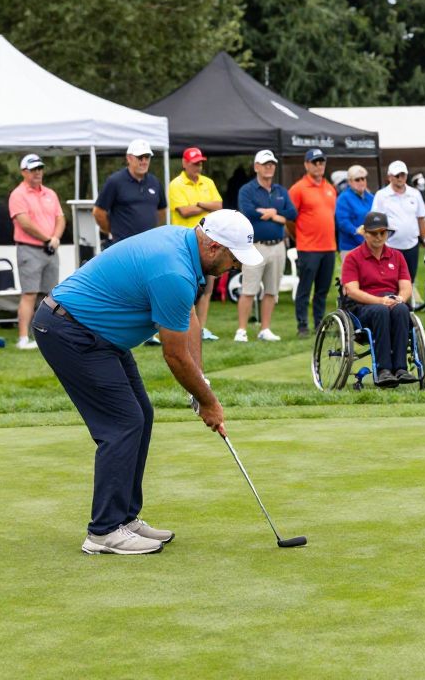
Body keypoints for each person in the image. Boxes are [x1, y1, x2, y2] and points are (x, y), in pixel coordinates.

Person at [33, 210, 262, 554]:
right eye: (234, 258)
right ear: (214, 247)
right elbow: (174, 356)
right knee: (123, 423)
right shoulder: (174, 270)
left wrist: (201, 386)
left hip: (99, 335)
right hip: (70, 331)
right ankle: (104, 532)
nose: (237, 266)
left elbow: (190, 319)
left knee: (142, 413)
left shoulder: (185, 249)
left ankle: (124, 517)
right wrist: (209, 403)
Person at [340, 211, 416, 388]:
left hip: (391, 300)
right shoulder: (353, 257)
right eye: (374, 233)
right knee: (381, 310)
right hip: (363, 306)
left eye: (382, 232)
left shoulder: (397, 256)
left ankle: (400, 369)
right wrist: (380, 301)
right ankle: (383, 370)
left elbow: (406, 286)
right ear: (365, 233)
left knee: (402, 309)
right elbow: (351, 290)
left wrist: (400, 299)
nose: (378, 236)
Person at [236, 149, 297, 342]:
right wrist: (277, 216)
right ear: (256, 167)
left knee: (271, 290)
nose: (269, 167)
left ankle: (265, 329)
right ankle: (242, 330)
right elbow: (247, 211)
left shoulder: (281, 191)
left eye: (271, 164)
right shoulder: (247, 189)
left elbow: (293, 213)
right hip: (255, 246)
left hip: (278, 246)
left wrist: (273, 213)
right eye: (265, 164)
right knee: (249, 289)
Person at [9, 154, 65, 350]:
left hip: (51, 249)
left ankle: (46, 334)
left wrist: (56, 238)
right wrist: (48, 239)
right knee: (29, 294)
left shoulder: (50, 193)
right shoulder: (18, 194)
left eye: (40, 168)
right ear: (24, 172)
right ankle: (23, 338)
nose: (38, 172)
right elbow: (24, 223)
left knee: (50, 295)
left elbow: (60, 218)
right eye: (33, 170)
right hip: (29, 250)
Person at [168, 146, 223, 340]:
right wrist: (204, 205)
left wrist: (198, 205)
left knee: (207, 288)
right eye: (194, 163)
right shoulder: (176, 184)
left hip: (209, 242)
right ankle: (185, 328)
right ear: (184, 163)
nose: (198, 167)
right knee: (189, 288)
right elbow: (183, 211)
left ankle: (201, 328)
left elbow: (219, 206)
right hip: (185, 243)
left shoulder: (207, 182)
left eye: (200, 163)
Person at [288, 148, 338, 337]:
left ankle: (319, 324)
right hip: (308, 247)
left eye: (321, 162)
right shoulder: (298, 189)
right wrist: (299, 237)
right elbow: (290, 219)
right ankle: (302, 325)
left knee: (322, 289)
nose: (318, 165)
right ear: (306, 164)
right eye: (315, 162)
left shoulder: (329, 188)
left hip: (328, 247)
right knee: (305, 288)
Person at [93, 139, 166, 247]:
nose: (144, 161)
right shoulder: (115, 181)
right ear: (129, 158)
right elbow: (98, 212)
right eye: (140, 157)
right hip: (123, 246)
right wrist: (113, 231)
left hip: (149, 245)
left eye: (147, 157)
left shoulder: (155, 182)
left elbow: (161, 211)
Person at [371, 160, 425, 287]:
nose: (400, 178)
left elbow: (421, 218)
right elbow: (375, 220)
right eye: (397, 175)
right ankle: (392, 306)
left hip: (412, 244)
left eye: (403, 175)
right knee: (390, 280)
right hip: (390, 245)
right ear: (389, 177)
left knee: (409, 279)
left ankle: (407, 306)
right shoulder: (381, 195)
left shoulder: (415, 194)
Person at [335, 164, 374, 264]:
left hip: (371, 246)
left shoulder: (371, 197)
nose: (361, 182)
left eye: (363, 179)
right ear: (350, 182)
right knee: (352, 279)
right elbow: (343, 222)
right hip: (350, 247)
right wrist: (356, 231)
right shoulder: (343, 198)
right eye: (357, 180)